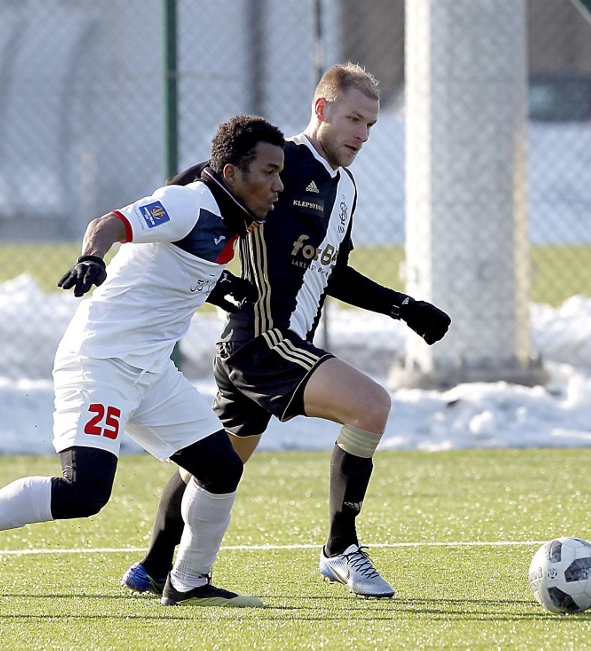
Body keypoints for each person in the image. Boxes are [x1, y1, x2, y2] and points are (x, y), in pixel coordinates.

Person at [0, 114, 286, 608]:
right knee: (82, 493)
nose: (278, 184)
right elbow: (110, 224)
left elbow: (165, 272)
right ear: (232, 173)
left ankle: (189, 582)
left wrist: (217, 286)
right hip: (101, 363)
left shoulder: (228, 217)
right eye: (270, 172)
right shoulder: (187, 205)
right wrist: (93, 257)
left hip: (150, 373)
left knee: (220, 468)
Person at [122, 63, 451, 599]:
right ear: (321, 109)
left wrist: (403, 306)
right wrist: (206, 280)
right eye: (352, 119)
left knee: (217, 459)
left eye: (370, 124)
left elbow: (330, 270)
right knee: (371, 406)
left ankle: (155, 565)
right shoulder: (280, 160)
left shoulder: (344, 185)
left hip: (273, 345)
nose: (362, 134)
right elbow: (190, 192)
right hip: (261, 340)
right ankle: (340, 549)